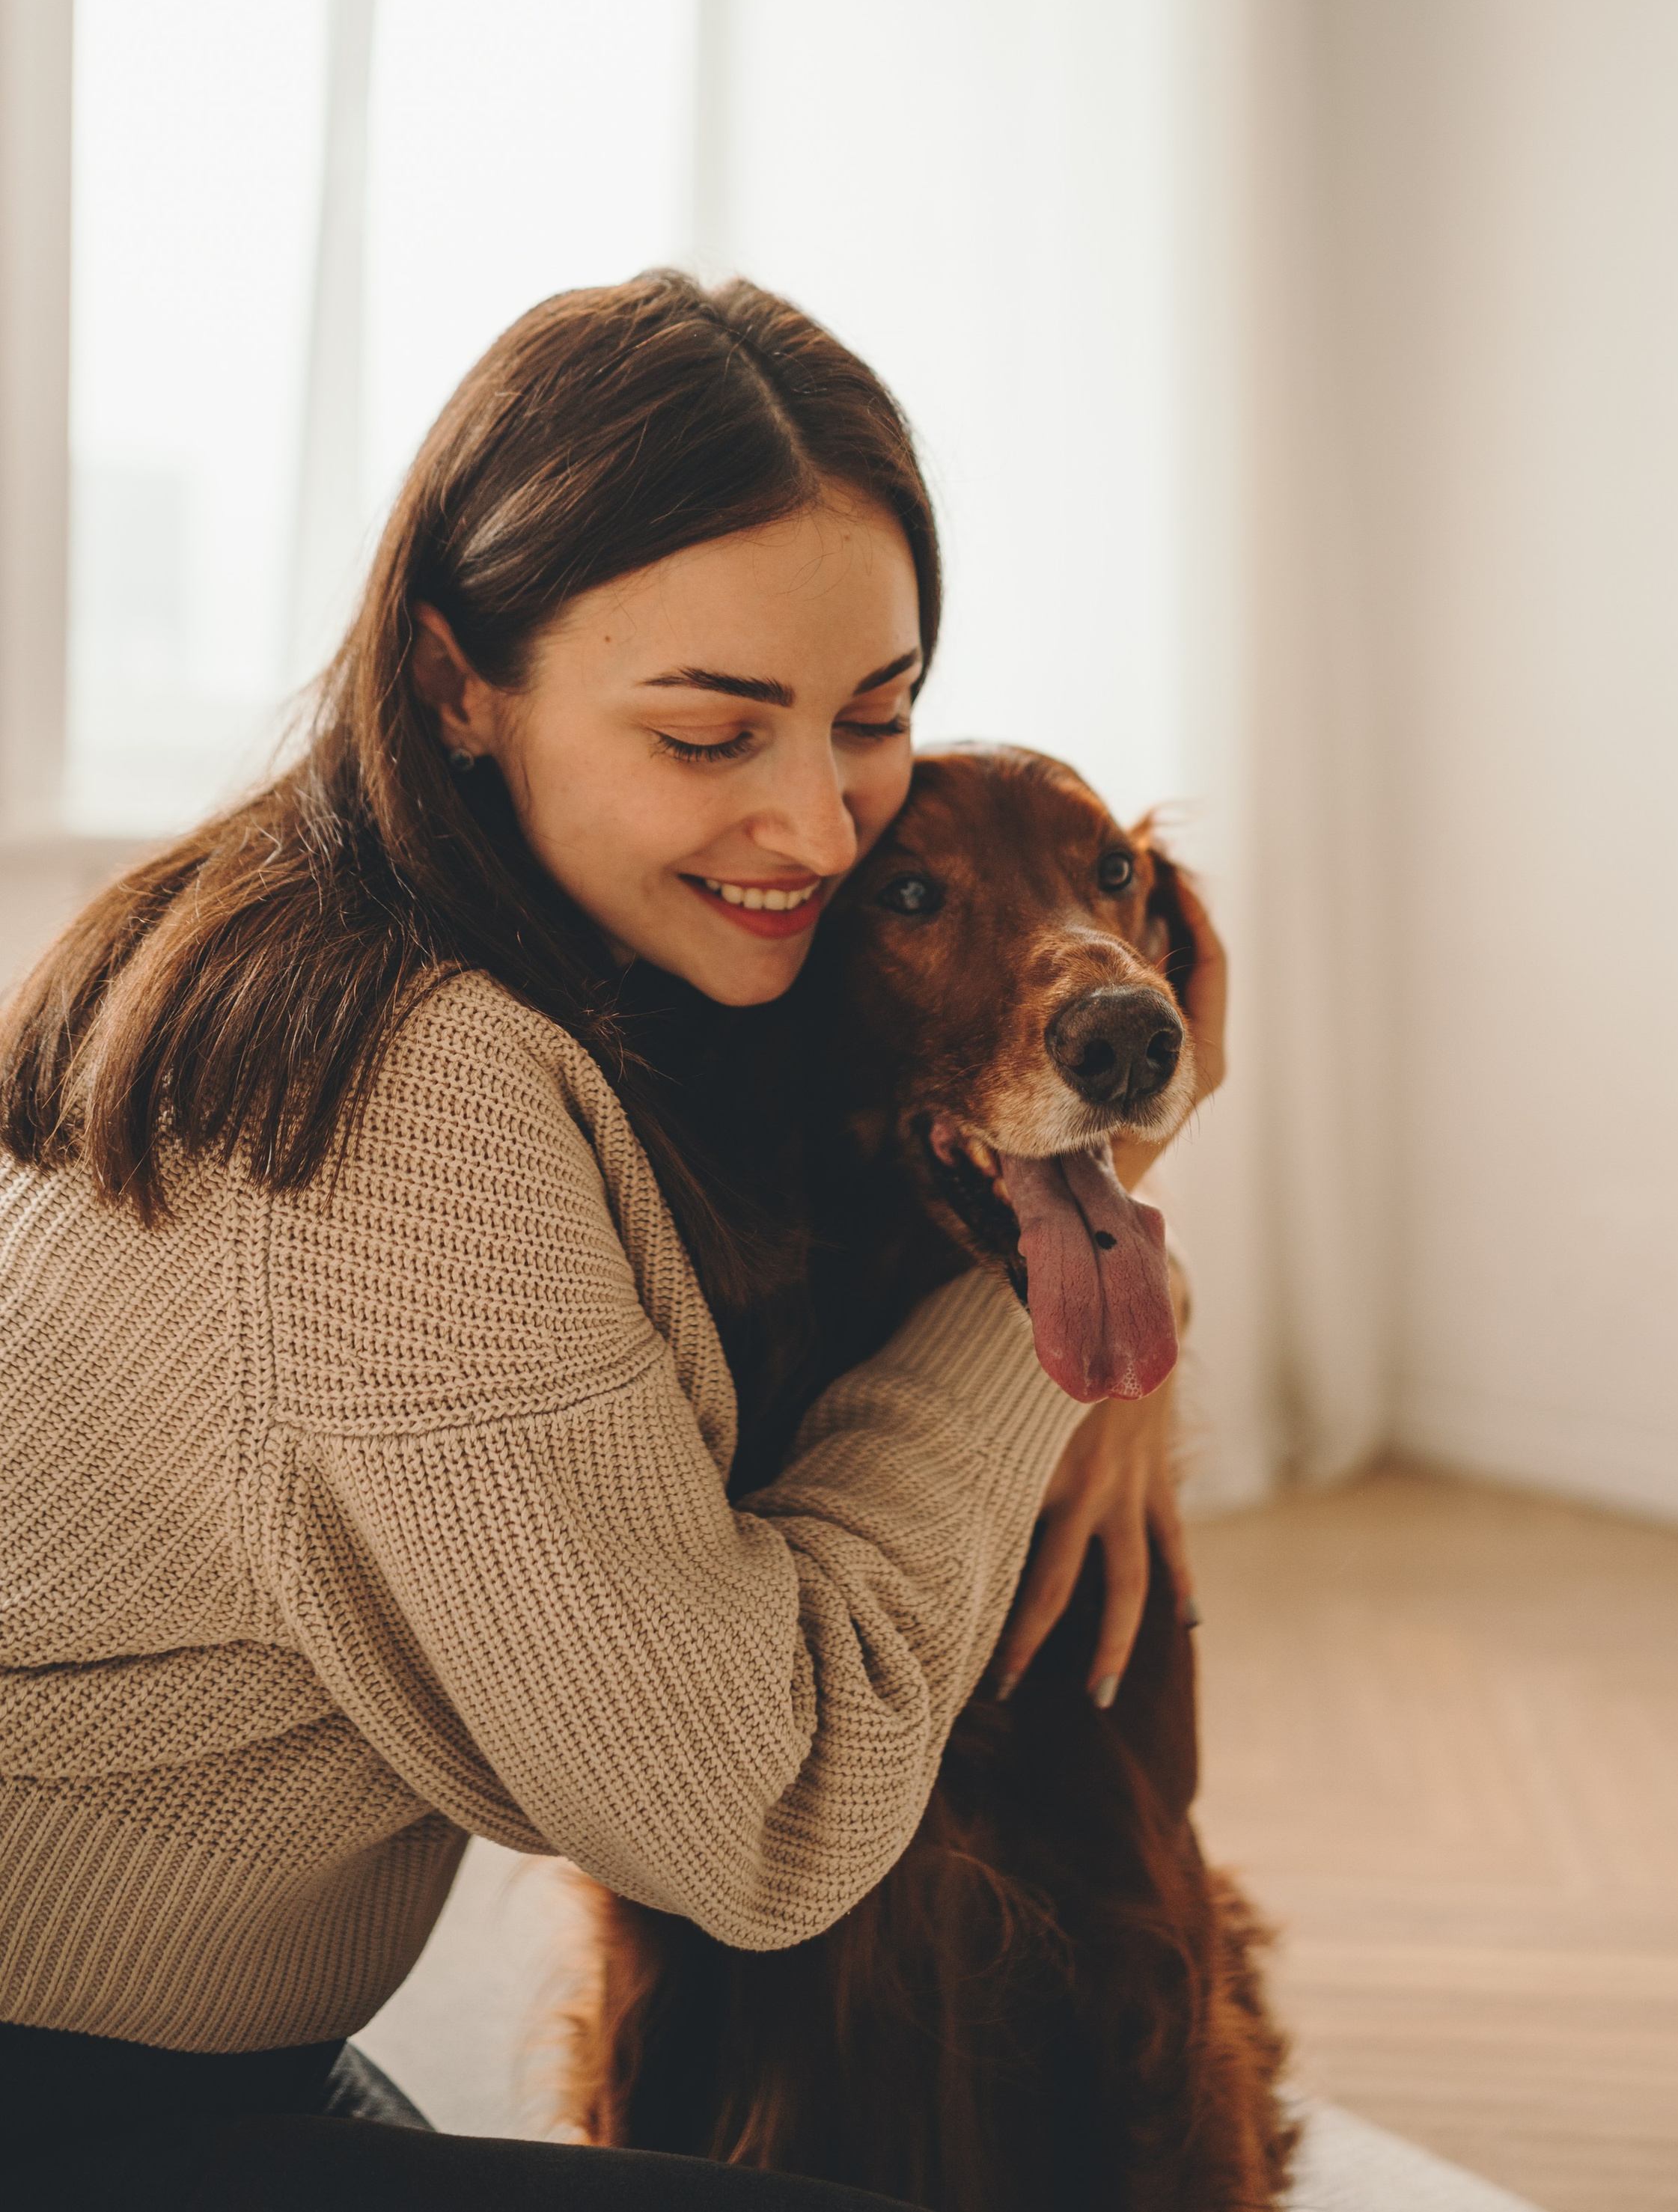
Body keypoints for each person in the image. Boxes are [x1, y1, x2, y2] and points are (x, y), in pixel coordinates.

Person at [0, 274, 1226, 2208]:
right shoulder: (411, 1097)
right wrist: (1057, 1303)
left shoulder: (357, 934)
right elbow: (768, 1821)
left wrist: (1090, 1282)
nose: (817, 823)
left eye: (873, 715)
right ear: (455, 679)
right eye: (713, 730)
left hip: (197, 2047)